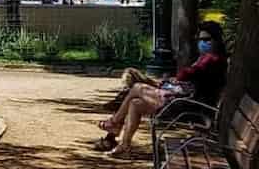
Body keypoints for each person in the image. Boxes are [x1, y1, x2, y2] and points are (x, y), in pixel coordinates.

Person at [94, 21, 228, 157]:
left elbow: (187, 74)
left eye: (206, 39)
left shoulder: (213, 59)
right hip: (187, 102)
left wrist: (179, 78)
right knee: (135, 103)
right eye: (200, 39)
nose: (202, 43)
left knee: (137, 87)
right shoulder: (207, 58)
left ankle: (114, 123)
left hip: (190, 107)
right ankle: (124, 145)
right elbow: (190, 76)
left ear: (216, 40)